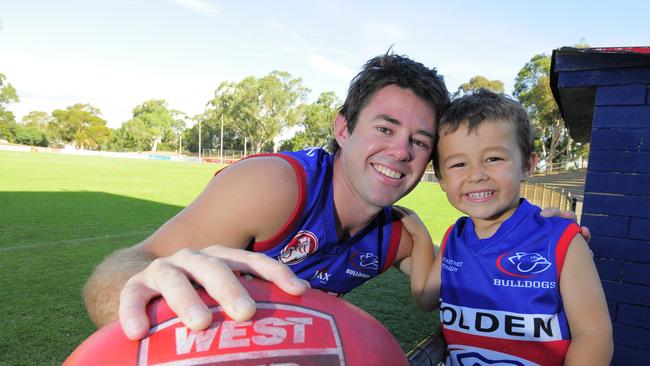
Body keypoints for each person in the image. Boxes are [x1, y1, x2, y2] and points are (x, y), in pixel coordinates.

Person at [83, 52, 585, 343]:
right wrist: (142, 286)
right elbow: (126, 267)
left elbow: (439, 289)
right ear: (343, 128)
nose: (399, 150)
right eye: (385, 127)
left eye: (419, 140)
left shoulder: (398, 235)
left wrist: (533, 227)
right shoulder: (274, 187)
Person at [405, 89, 612, 365]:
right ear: (441, 179)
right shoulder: (455, 238)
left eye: (493, 159)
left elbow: (593, 334)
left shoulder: (561, 238)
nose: (476, 175)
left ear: (527, 164)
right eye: (458, 164)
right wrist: (418, 233)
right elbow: (425, 297)